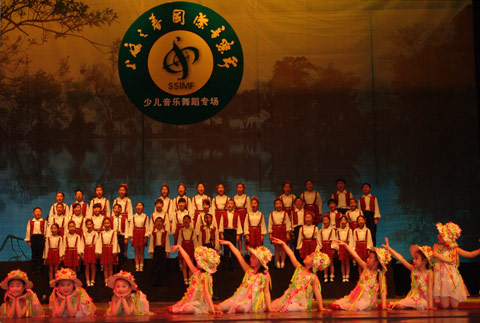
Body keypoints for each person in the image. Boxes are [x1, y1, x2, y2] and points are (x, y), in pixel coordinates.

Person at [271, 239, 330, 312]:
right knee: (273, 306)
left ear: (313, 264)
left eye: (310, 256)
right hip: (289, 297)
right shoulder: (299, 269)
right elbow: (291, 254)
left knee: (289, 308)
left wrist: (321, 307)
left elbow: (317, 293)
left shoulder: (313, 277)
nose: (307, 256)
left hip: (299, 302)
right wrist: (283, 244)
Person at [331, 241, 391, 311]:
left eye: (370, 258)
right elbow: (355, 255)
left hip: (367, 301)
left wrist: (383, 305)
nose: (367, 259)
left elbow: (383, 290)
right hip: (357, 297)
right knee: (338, 303)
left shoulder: (380, 274)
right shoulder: (366, 267)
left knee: (359, 306)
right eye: (368, 257)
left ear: (377, 262)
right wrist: (345, 245)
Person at [433, 222, 480, 309]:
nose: (438, 236)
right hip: (442, 280)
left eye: (441, 235)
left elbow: (470, 254)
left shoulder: (455, 249)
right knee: (445, 306)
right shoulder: (436, 247)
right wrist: (448, 260)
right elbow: (435, 254)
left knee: (454, 306)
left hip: (452, 280)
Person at [216, 241, 272, 313]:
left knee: (240, 308)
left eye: (254, 258)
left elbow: (266, 292)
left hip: (252, 302)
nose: (251, 259)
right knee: (220, 307)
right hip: (239, 298)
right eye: (251, 256)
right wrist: (230, 244)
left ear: (260, 262)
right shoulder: (248, 270)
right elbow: (238, 255)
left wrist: (269, 308)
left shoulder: (265, 275)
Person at [382, 238, 434, 310]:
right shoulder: (413, 270)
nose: (414, 260)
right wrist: (389, 248)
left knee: (422, 304)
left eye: (416, 258)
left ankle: (410, 305)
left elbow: (430, 290)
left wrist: (430, 306)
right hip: (413, 297)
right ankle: (406, 305)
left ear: (424, 261)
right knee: (399, 306)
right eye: (414, 258)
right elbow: (401, 259)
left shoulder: (429, 273)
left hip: (424, 300)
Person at [168, 246, 222, 314]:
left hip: (200, 303)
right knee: (177, 307)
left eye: (198, 261)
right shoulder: (196, 272)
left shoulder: (206, 277)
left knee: (187, 309)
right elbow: (187, 258)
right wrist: (180, 247)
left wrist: (213, 310)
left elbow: (207, 293)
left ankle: (210, 307)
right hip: (191, 300)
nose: (196, 262)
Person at [218, 199, 242, 270]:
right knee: (226, 250)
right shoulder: (223, 214)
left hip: (233, 232)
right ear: (226, 205)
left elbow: (239, 225)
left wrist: (238, 235)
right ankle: (226, 266)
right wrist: (221, 233)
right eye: (228, 204)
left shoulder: (237, 214)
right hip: (226, 232)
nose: (230, 205)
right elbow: (221, 224)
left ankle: (233, 266)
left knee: (233, 249)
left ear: (234, 205)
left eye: (231, 204)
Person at [268, 198, 292, 268]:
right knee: (276, 248)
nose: (278, 205)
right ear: (275, 205)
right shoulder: (272, 214)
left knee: (283, 247)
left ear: (282, 205)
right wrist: (270, 233)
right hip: (275, 230)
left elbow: (288, 224)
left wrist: (287, 233)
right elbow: (270, 224)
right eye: (277, 204)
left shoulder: (285, 213)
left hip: (283, 231)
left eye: (280, 204)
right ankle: (277, 261)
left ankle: (283, 262)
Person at [148, 217, 170, 287]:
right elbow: (151, 243)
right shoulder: (153, 233)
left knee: (163, 266)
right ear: (155, 224)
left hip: (162, 250)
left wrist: (167, 252)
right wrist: (151, 252)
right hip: (155, 250)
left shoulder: (165, 233)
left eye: (160, 221)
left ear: (163, 223)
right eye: (157, 221)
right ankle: (154, 281)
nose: (159, 223)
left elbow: (167, 243)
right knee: (155, 266)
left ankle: (163, 281)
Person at [96, 217, 119, 283]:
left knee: (110, 266)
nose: (106, 224)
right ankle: (106, 279)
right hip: (104, 250)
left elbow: (115, 242)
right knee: (105, 266)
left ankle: (111, 280)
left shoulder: (113, 233)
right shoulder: (101, 233)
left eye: (108, 223)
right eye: (105, 223)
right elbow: (99, 243)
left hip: (111, 250)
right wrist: (99, 252)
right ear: (103, 224)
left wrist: (114, 251)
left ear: (110, 224)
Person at [25, 207, 47, 271]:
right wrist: (28, 241)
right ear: (33, 213)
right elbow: (28, 231)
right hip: (33, 238)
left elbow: (46, 230)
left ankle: (40, 268)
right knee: (34, 253)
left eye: (39, 211)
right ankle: (34, 268)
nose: (38, 213)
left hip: (41, 238)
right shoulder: (31, 221)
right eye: (36, 211)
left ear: (41, 213)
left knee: (41, 253)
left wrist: (45, 239)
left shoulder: (44, 221)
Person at [178, 215, 198, 285]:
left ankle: (190, 278)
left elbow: (195, 240)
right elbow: (179, 240)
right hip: (184, 247)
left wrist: (196, 249)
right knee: (184, 264)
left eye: (187, 219)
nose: (186, 221)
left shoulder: (193, 230)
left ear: (190, 221)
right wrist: (179, 249)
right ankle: (185, 279)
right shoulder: (181, 231)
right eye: (185, 219)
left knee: (190, 264)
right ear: (183, 221)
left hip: (190, 246)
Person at [233, 183, 251, 255]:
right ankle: (240, 251)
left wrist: (248, 220)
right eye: (238, 187)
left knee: (245, 235)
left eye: (241, 188)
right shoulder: (234, 197)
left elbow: (249, 210)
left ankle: (246, 251)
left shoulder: (247, 198)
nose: (239, 189)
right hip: (237, 217)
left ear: (244, 189)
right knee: (239, 234)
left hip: (244, 216)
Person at [130, 202, 149, 272]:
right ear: (135, 208)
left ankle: (141, 266)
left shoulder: (146, 216)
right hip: (135, 233)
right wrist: (131, 237)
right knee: (136, 251)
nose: (139, 207)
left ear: (143, 208)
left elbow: (147, 227)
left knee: (142, 251)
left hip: (142, 233)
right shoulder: (133, 217)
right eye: (137, 205)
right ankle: (137, 266)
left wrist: (146, 236)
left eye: (140, 205)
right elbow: (131, 227)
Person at [319, 215, 337, 282]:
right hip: (324, 246)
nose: (325, 221)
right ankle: (325, 276)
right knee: (324, 262)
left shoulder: (332, 230)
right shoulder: (321, 230)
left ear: (329, 221)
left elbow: (334, 239)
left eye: (326, 220)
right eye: (324, 220)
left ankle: (332, 276)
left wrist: (333, 248)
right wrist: (320, 248)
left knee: (331, 262)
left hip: (329, 246)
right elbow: (319, 240)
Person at [112, 203, 129, 269]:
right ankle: (114, 266)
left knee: (121, 252)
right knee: (114, 252)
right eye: (115, 208)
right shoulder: (111, 218)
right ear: (113, 210)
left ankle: (121, 267)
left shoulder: (124, 218)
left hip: (121, 236)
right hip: (114, 237)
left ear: (121, 209)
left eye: (118, 208)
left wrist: (126, 238)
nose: (116, 210)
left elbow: (127, 228)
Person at [336, 215, 353, 282]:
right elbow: (337, 240)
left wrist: (350, 248)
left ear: (346, 221)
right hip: (340, 246)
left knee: (347, 261)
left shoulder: (349, 230)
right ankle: (343, 275)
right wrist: (337, 249)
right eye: (342, 220)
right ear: (340, 221)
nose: (343, 221)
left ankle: (347, 275)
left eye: (344, 220)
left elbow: (351, 239)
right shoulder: (338, 230)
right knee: (342, 262)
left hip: (347, 246)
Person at [83, 219, 98, 287]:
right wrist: (82, 253)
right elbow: (82, 243)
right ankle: (87, 280)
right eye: (87, 224)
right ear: (86, 226)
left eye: (90, 224)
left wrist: (97, 252)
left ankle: (92, 280)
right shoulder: (84, 234)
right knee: (87, 266)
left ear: (92, 225)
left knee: (92, 266)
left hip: (93, 250)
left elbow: (97, 243)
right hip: (86, 249)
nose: (89, 226)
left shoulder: (95, 233)